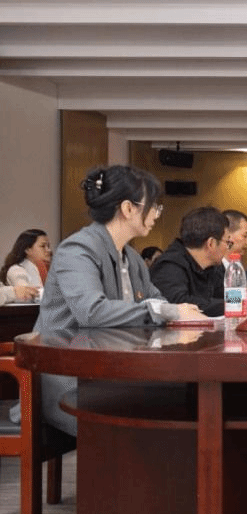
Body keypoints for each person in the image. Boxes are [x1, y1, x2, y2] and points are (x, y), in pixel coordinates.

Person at [34, 165, 203, 436]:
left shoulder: (131, 257)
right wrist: (168, 312)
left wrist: (178, 312)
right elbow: (92, 311)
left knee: (187, 398)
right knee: (170, 407)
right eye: (154, 206)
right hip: (71, 381)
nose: (156, 214)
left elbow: (157, 301)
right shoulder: (77, 249)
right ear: (128, 208)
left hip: (112, 375)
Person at [150, 206, 230, 316]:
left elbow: (224, 295)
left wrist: (241, 300)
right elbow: (178, 303)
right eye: (227, 243)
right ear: (211, 243)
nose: (227, 248)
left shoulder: (214, 267)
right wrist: (230, 304)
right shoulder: (169, 266)